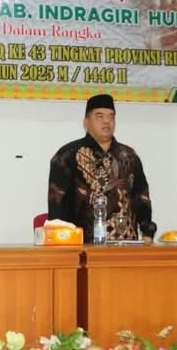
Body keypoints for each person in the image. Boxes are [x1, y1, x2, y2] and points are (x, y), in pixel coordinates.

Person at [47, 94, 157, 243]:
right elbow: (57, 205)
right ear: (86, 122)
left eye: (111, 116)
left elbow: (142, 196)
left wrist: (148, 233)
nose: (107, 121)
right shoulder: (67, 155)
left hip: (127, 244)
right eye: (99, 116)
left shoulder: (129, 156)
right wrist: (63, 242)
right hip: (83, 246)